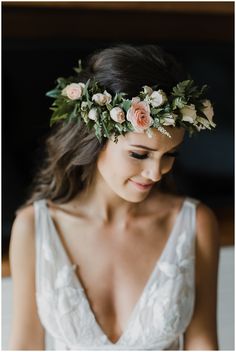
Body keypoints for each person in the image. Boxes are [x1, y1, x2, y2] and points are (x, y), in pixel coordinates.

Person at [9, 44, 219, 350]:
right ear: (93, 138)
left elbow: (203, 344)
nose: (156, 172)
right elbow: (25, 346)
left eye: (170, 155)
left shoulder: (194, 223)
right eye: (139, 154)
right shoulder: (34, 228)